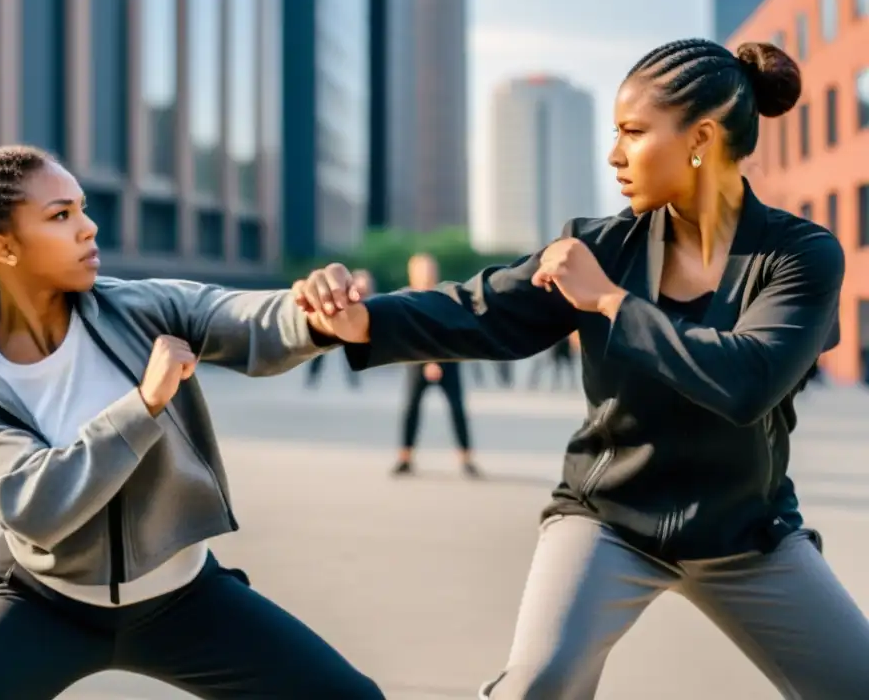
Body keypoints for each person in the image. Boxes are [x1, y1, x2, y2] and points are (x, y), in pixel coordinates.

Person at [294, 38, 869, 698]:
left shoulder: (800, 256)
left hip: (747, 535)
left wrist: (609, 302)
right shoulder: (598, 244)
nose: (614, 155)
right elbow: (482, 311)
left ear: (700, 138)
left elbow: (749, 381)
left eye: (632, 132)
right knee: (538, 683)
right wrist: (363, 322)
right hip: (609, 524)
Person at [0, 146, 384, 700]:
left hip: (185, 600)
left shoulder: (142, 309)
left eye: (82, 208)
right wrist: (142, 405)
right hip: (44, 607)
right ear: (3, 247)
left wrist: (313, 315)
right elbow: (37, 503)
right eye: (61, 215)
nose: (88, 227)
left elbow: (240, 318)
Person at [392, 254, 478, 478]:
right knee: (411, 409)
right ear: (412, 273)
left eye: (431, 270)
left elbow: (451, 331)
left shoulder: (445, 295)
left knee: (457, 409)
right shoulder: (406, 297)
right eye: (423, 270)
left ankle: (466, 458)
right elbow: (408, 335)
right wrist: (427, 362)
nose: (428, 274)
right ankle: (405, 458)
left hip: (448, 360)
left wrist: (437, 361)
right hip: (416, 362)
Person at [306, 269, 374, 390]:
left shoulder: (363, 293)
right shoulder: (348, 289)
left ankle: (353, 378)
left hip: (348, 325)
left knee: (352, 351)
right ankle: (313, 375)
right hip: (334, 322)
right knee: (321, 352)